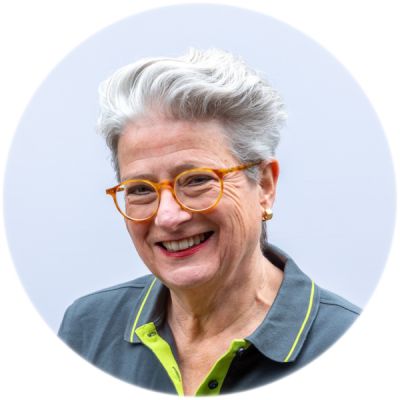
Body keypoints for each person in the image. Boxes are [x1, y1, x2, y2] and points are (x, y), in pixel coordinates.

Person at [58, 48, 361, 396]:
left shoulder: (349, 349)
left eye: (197, 180)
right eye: (141, 189)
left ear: (264, 185)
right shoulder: (88, 329)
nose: (168, 216)